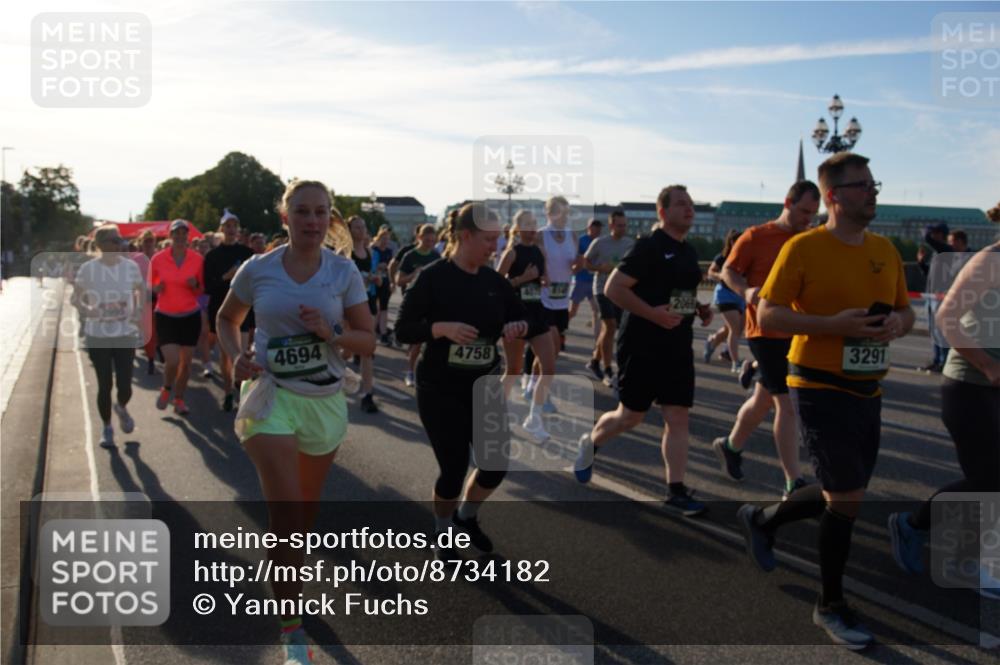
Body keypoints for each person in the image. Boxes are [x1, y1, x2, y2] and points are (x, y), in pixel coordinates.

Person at [736, 153, 913, 649]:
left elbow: (904, 311)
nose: (873, 192)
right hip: (815, 383)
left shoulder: (885, 249)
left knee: (845, 491)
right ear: (833, 196)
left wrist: (901, 324)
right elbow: (767, 314)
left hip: (868, 386)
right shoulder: (804, 249)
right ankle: (830, 604)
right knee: (848, 495)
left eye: (874, 183)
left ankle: (764, 518)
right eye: (862, 185)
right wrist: (832, 326)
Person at [217, 179, 374, 665]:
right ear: (285, 218)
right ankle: (292, 629)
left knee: (302, 520)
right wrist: (236, 355)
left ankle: (287, 580)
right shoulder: (258, 268)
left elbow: (368, 341)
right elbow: (227, 319)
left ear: (331, 219)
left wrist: (331, 332)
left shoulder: (343, 271)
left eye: (320, 212)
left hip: (324, 401)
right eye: (301, 212)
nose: (311, 221)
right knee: (286, 514)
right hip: (270, 398)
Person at [396, 202, 528, 559]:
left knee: (494, 464)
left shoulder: (495, 283)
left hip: (482, 386)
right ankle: (442, 531)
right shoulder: (433, 277)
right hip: (439, 387)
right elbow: (402, 330)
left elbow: (518, 319)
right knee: (453, 469)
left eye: (498, 240)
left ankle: (466, 517)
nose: (495, 248)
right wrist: (440, 328)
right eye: (488, 240)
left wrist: (516, 327)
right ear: (465, 236)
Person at [573, 185, 713, 516]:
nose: (689, 209)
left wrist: (699, 309)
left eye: (691, 204)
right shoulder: (648, 247)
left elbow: (680, 296)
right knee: (630, 416)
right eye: (681, 204)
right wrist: (653, 314)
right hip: (641, 344)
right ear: (662, 212)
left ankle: (676, 490)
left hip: (677, 345)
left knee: (677, 416)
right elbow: (614, 288)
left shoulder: (689, 252)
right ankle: (590, 443)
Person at [888, 211, 999, 600]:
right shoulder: (990, 260)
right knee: (987, 479)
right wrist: (988, 365)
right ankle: (920, 531)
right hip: (970, 385)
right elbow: (948, 320)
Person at [710, 181, 820, 498]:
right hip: (765, 330)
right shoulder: (756, 237)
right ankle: (792, 481)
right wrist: (745, 291)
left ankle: (731, 446)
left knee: (762, 400)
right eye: (803, 212)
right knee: (787, 404)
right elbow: (729, 270)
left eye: (813, 214)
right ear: (787, 202)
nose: (807, 219)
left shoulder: (808, 239)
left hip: (798, 330)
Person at [72, 225, 143, 448]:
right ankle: (107, 428)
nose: (119, 244)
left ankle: (121, 407)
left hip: (124, 333)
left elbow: (141, 291)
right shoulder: (88, 269)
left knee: (125, 386)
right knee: (104, 384)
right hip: (97, 335)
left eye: (120, 240)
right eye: (114, 240)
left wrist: (138, 311)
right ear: (101, 245)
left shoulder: (130, 267)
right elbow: (76, 299)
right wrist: (88, 310)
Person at [497, 209, 557, 442]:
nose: (533, 229)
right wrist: (522, 279)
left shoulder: (540, 251)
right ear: (518, 227)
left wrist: (544, 280)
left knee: (549, 368)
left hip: (537, 315)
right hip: (514, 316)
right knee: (513, 370)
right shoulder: (511, 253)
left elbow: (546, 278)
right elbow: (496, 285)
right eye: (528, 225)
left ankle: (534, 417)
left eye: (535, 224)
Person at [149, 219, 205, 414]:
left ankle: (179, 399)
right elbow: (150, 285)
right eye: (176, 233)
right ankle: (166, 388)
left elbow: (202, 289)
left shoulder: (197, 259)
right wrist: (156, 288)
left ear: (188, 236)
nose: (180, 237)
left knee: (187, 362)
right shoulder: (158, 259)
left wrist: (194, 286)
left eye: (184, 233)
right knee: (172, 360)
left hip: (190, 315)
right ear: (170, 236)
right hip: (166, 314)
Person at [205, 209, 255, 411]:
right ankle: (227, 391)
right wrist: (227, 277)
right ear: (222, 229)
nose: (232, 229)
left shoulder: (247, 254)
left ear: (239, 229)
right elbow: (208, 286)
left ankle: (242, 392)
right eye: (228, 226)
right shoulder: (212, 256)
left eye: (235, 226)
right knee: (226, 355)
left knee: (241, 354)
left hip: (244, 311)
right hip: (222, 312)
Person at [584, 209, 634, 388]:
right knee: (611, 325)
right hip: (602, 290)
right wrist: (600, 268)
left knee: (609, 329)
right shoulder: (600, 243)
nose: (623, 228)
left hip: (620, 291)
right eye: (619, 225)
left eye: (625, 225)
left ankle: (594, 361)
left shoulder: (630, 244)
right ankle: (607, 369)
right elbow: (586, 262)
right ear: (611, 225)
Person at [395, 224, 441, 387]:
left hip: (433, 302)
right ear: (419, 238)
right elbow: (399, 280)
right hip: (415, 302)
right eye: (427, 240)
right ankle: (410, 372)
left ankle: (429, 374)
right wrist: (415, 275)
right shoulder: (410, 256)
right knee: (417, 341)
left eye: (432, 240)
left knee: (430, 340)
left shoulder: (436, 255)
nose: (430, 243)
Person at [347, 215, 381, 413]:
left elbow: (371, 276)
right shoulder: (345, 253)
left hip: (367, 303)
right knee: (345, 351)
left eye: (363, 226)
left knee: (368, 349)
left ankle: (367, 394)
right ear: (349, 230)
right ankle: (329, 382)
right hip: (348, 306)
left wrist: (376, 279)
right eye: (357, 227)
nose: (361, 230)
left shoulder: (368, 252)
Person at [703, 229, 745, 372]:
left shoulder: (747, 257)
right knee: (735, 328)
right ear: (732, 242)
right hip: (725, 294)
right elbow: (710, 272)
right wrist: (722, 275)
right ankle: (735, 361)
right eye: (738, 240)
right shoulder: (722, 257)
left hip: (741, 295)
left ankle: (712, 342)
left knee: (734, 328)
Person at [569, 218, 601, 344]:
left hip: (594, 282)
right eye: (595, 227)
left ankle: (597, 342)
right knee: (573, 311)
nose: (598, 229)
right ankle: (560, 328)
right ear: (589, 228)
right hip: (581, 280)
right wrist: (581, 262)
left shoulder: (600, 242)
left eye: (599, 227)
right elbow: (574, 259)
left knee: (596, 311)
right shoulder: (581, 240)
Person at [371, 228, 395, 344]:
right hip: (374, 281)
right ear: (378, 238)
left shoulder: (389, 251)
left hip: (385, 281)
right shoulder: (373, 250)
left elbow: (392, 268)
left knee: (384, 307)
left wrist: (392, 282)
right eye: (383, 239)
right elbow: (370, 266)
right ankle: (372, 332)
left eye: (387, 239)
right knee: (374, 308)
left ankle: (383, 333)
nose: (385, 241)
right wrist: (378, 266)